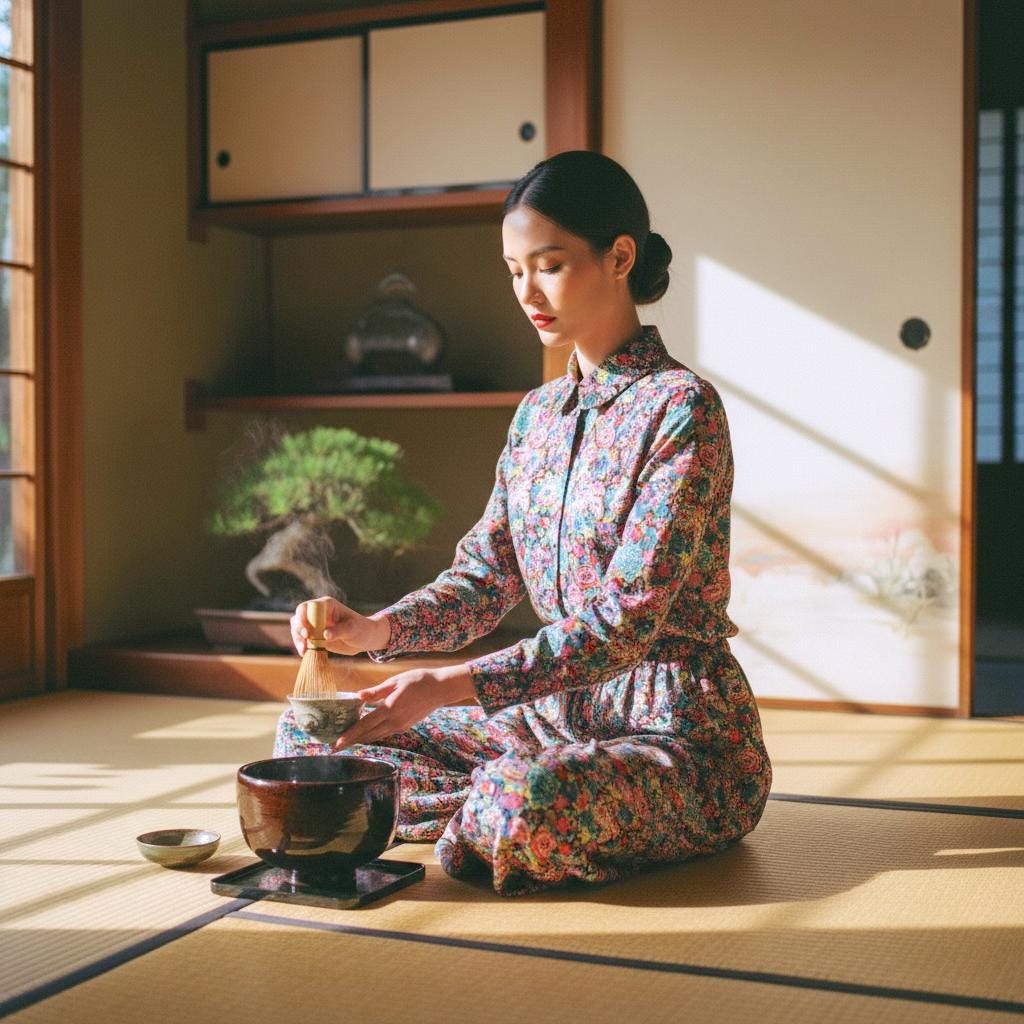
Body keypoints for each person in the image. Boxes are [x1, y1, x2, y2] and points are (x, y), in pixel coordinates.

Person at [273, 150, 772, 897]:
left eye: (548, 265)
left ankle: (495, 808)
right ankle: (490, 809)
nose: (526, 291)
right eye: (513, 270)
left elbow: (623, 625)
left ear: (619, 258)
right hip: (545, 722)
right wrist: (373, 633)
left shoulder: (681, 409)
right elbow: (484, 578)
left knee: (521, 799)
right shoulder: (537, 416)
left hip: (673, 732)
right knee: (310, 736)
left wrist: (448, 684)